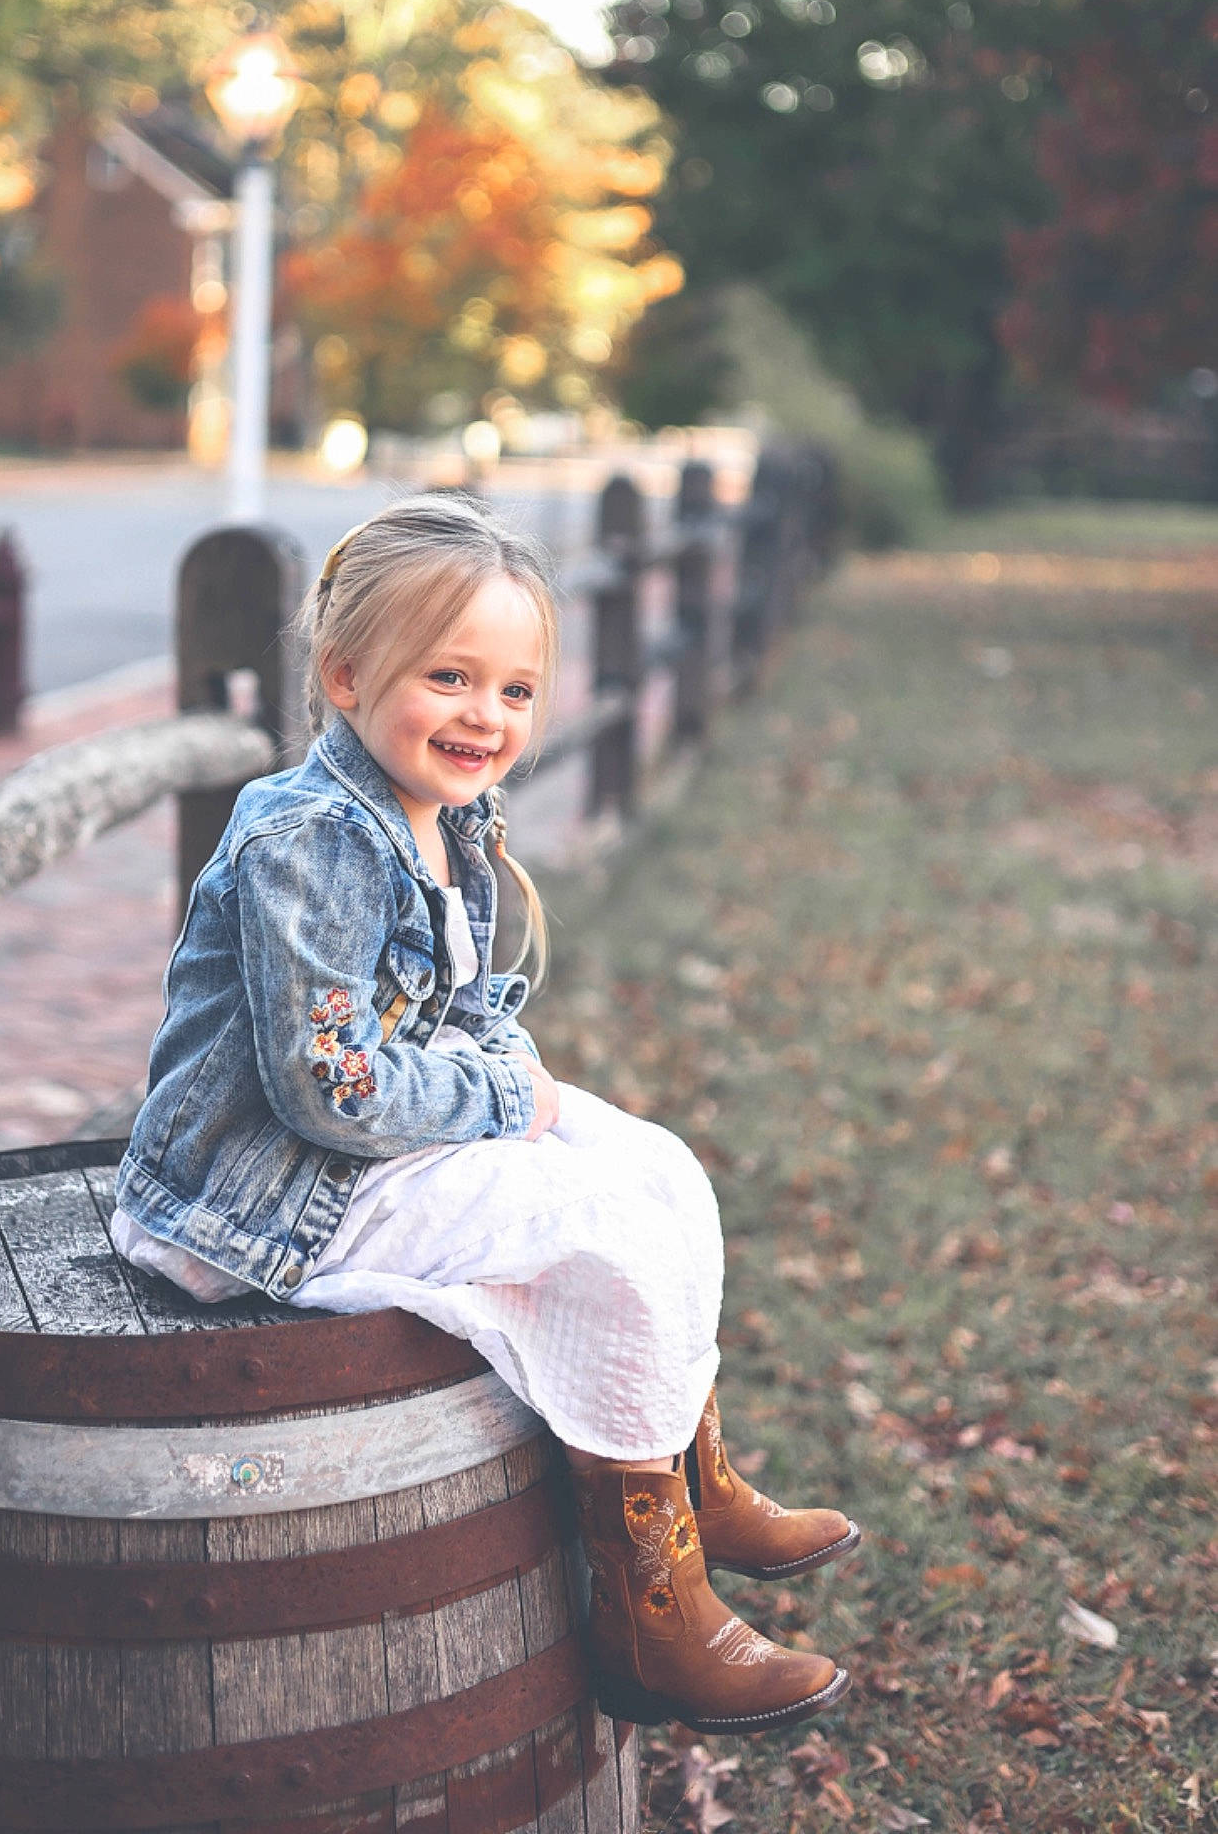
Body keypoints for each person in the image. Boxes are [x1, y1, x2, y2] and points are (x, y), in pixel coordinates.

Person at [113, 491, 860, 1734]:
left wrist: (522, 1090)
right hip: (258, 1195)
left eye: (516, 689)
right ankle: (652, 1611)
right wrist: (514, 1093)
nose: (486, 716)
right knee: (596, 1234)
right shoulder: (312, 838)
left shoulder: (444, 813)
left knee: (657, 1167)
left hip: (357, 1150)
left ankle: (687, 1465)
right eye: (449, 676)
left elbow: (442, 1018)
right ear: (346, 675)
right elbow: (334, 1089)